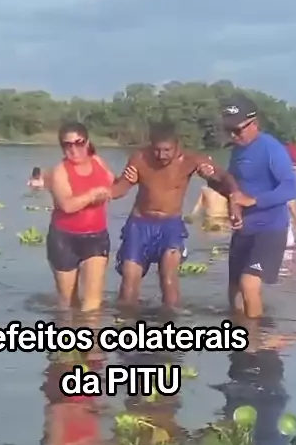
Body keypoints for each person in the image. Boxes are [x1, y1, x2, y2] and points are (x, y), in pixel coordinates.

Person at [110, 120, 240, 308]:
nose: (161, 155)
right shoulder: (140, 158)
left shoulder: (191, 160)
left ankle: (170, 321)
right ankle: (126, 321)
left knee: (169, 280)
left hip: (170, 226)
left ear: (177, 145)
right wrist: (101, 188)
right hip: (139, 224)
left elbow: (224, 178)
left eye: (167, 150)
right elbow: (119, 190)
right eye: (157, 150)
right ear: (150, 145)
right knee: (129, 284)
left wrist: (230, 195)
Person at [222, 94, 296, 318]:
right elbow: (234, 186)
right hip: (244, 229)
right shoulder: (237, 150)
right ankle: (239, 334)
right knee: (234, 291)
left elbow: (291, 188)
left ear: (254, 123)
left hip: (270, 229)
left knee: (249, 284)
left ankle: (255, 335)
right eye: (228, 130)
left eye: (237, 130)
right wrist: (234, 208)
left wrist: (254, 200)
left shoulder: (271, 148)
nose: (233, 135)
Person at [46, 123, 113, 312]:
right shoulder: (59, 171)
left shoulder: (98, 162)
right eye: (67, 145)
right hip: (64, 238)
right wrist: (93, 194)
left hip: (96, 236)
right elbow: (67, 205)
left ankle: (90, 332)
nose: (74, 149)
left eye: (79, 143)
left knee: (92, 303)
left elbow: (113, 186)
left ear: (87, 142)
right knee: (68, 303)